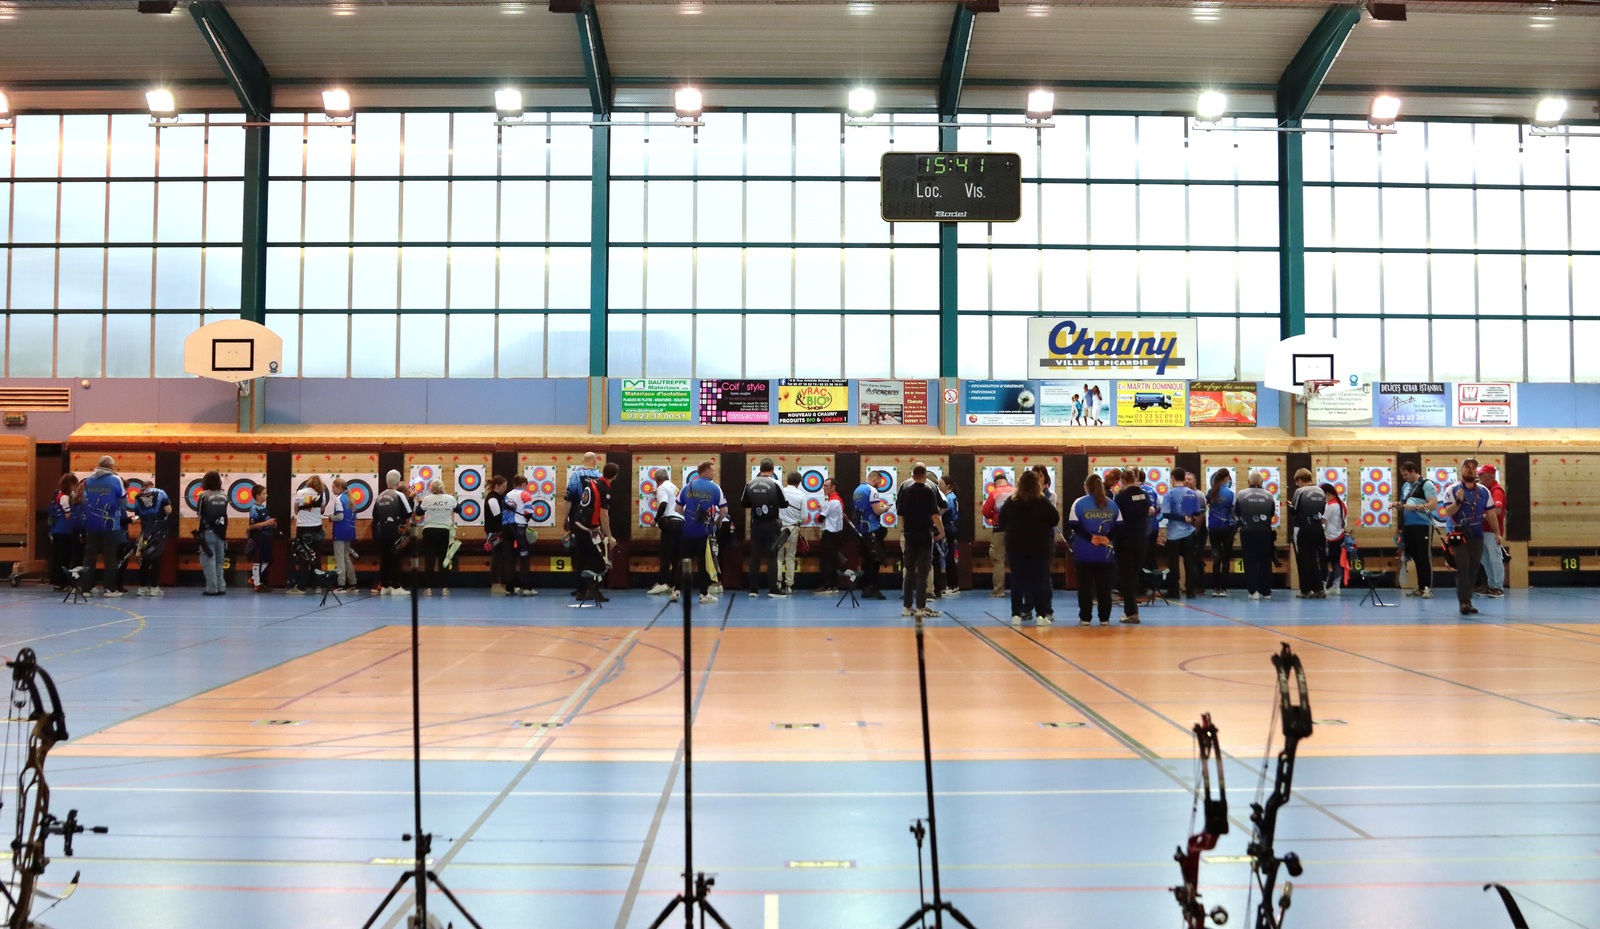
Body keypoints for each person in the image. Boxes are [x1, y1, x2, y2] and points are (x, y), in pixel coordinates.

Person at [997, 470, 1059, 626]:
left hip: (1015, 547)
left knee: (1017, 581)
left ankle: (1016, 615)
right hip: (1039, 547)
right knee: (1038, 581)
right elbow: (1054, 519)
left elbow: (1001, 521)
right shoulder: (1042, 501)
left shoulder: (1012, 501)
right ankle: (1041, 616)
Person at [1442, 458, 1495, 616]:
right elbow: (1449, 511)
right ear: (1461, 470)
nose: (1470, 469)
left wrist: (1497, 533)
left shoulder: (1484, 491)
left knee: (1473, 568)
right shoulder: (1452, 489)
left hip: (1476, 535)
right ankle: (1463, 601)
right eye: (1467, 467)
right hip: (1458, 535)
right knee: (1463, 567)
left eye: (1473, 467)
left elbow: (1491, 513)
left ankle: (1468, 599)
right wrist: (1459, 500)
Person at [1069, 474, 1121, 626]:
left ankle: (1085, 618)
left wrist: (1090, 537)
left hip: (1084, 553)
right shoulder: (1112, 504)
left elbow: (1073, 524)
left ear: (1086, 486)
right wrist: (1107, 538)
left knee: (1084, 587)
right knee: (1104, 588)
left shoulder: (1079, 503)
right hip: (1105, 554)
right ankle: (1104, 618)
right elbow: (1120, 525)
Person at [896, 465, 944, 619]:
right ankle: (921, 607)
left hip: (909, 536)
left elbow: (900, 514)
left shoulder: (905, 491)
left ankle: (907, 607)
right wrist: (941, 530)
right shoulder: (928, 491)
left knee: (909, 571)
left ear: (912, 475)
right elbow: (935, 514)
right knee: (923, 572)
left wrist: (904, 530)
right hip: (924, 536)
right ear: (925, 476)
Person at [678, 460, 728, 604]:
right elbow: (724, 510)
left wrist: (689, 517)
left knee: (684, 560)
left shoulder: (687, 486)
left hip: (688, 530)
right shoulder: (714, 487)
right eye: (713, 470)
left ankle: (676, 590)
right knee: (703, 562)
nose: (714, 472)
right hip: (704, 531)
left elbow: (677, 508)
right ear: (706, 471)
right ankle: (703, 593)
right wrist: (718, 521)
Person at [569, 461, 616, 603]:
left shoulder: (593, 482)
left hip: (578, 524)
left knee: (581, 559)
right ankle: (593, 590)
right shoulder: (605, 489)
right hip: (589, 528)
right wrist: (610, 536)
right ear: (615, 476)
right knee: (599, 561)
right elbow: (604, 515)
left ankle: (581, 591)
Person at [742, 459, 790, 599]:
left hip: (756, 524)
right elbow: (784, 504)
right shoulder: (776, 483)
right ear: (772, 469)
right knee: (772, 556)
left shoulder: (750, 483)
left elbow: (744, 503)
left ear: (760, 468)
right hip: (771, 524)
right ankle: (773, 589)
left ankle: (753, 590)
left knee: (755, 557)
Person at [1112, 468, 1154, 623]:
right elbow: (1150, 510)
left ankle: (1131, 613)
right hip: (1142, 539)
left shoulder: (1121, 496)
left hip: (1125, 540)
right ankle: (1133, 610)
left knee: (1126, 577)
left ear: (1122, 481)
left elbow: (1116, 516)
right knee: (1134, 574)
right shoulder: (1144, 494)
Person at [80, 456, 125, 597]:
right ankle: (110, 589)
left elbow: (85, 498)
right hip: (109, 523)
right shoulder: (115, 479)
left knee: (89, 555)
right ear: (111, 466)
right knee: (110, 556)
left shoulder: (89, 480)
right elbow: (123, 500)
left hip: (91, 522)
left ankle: (86, 588)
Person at [1159, 467, 1205, 598]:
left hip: (1174, 534)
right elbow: (1197, 512)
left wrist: (1181, 517)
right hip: (1189, 533)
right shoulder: (1192, 493)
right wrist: (1187, 518)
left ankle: (1174, 591)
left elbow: (1166, 513)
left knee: (1173, 564)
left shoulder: (1169, 494)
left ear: (1173, 478)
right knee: (1189, 563)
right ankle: (1190, 591)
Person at [1396, 461, 1437, 600]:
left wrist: (1414, 508)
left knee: (1424, 556)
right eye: (1402, 475)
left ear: (1413, 471)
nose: (1404, 477)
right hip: (1409, 525)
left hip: (1423, 525)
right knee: (1415, 556)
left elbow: (1433, 504)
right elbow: (1404, 503)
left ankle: (1427, 587)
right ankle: (1420, 586)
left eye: (1406, 474)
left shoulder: (1427, 484)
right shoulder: (1406, 486)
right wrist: (1398, 505)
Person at [1236, 471, 1277, 600]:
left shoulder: (1241, 494)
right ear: (1262, 482)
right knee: (1265, 560)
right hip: (1265, 531)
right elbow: (1272, 513)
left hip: (1247, 531)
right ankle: (1266, 591)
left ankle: (1253, 591)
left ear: (1248, 481)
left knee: (1250, 560)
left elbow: (1237, 512)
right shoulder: (1269, 495)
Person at [371, 470, 413, 595]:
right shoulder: (399, 495)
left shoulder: (380, 496)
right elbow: (409, 513)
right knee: (396, 558)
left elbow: (375, 514)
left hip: (381, 532)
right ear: (398, 482)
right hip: (395, 532)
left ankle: (384, 586)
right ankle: (396, 586)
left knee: (384, 558)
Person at [1289, 469, 1327, 599]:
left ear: (1299, 479)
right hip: (1317, 528)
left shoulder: (1300, 491)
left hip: (1303, 527)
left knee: (1303, 559)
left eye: (1297, 482)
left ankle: (1305, 590)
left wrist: (1291, 506)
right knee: (1314, 558)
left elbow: (1294, 510)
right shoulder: (1320, 491)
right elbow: (1323, 510)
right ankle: (1319, 589)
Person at [131, 480, 173, 597]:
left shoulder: (138, 496)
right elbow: (168, 510)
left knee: (145, 559)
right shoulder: (161, 492)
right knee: (156, 558)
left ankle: (142, 588)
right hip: (159, 530)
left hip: (145, 530)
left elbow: (137, 515)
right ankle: (154, 588)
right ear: (152, 485)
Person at [288, 475, 328, 594]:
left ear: (308, 483)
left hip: (303, 528)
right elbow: (322, 510)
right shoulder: (321, 494)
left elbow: (296, 511)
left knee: (303, 557)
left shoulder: (300, 492)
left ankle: (301, 587)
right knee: (316, 556)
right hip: (317, 528)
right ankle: (318, 586)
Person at [417, 479, 458, 596]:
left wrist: (420, 502)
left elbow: (419, 512)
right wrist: (452, 499)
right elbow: (459, 509)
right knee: (444, 560)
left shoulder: (427, 499)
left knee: (429, 560)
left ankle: (428, 588)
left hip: (429, 531)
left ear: (431, 488)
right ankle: (444, 588)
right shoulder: (450, 498)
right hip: (445, 531)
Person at [851, 475, 889, 600]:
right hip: (871, 528)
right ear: (875, 479)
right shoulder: (872, 490)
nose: (880, 484)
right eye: (880, 482)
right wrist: (885, 508)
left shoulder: (858, 489)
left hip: (861, 528)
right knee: (875, 559)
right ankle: (872, 587)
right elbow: (877, 511)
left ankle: (865, 587)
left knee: (867, 559)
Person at [649, 467, 684, 599]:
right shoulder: (675, 488)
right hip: (681, 523)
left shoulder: (662, 487)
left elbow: (663, 504)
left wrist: (655, 520)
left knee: (665, 555)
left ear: (656, 479)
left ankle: (662, 583)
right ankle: (673, 584)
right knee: (676, 557)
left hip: (670, 524)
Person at [500, 474, 536, 597]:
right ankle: (526, 588)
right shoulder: (525, 494)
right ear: (524, 484)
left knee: (509, 558)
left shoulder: (507, 495)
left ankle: (509, 588)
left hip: (506, 528)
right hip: (519, 527)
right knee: (524, 557)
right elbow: (529, 513)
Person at [981, 474, 1016, 598]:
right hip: (1016, 531)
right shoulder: (1016, 491)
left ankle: (999, 590)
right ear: (1007, 482)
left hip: (999, 530)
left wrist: (994, 517)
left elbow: (986, 512)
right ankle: (1019, 590)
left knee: (998, 560)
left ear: (995, 484)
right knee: (1017, 560)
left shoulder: (994, 492)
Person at [197, 470, 229, 596]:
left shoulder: (203, 496)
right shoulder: (225, 496)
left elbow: (200, 514)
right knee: (219, 561)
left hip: (207, 533)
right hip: (221, 533)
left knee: (208, 561)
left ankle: (212, 588)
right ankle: (221, 587)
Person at [1205, 469, 1236, 598]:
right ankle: (1223, 589)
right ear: (1227, 478)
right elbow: (1234, 511)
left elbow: (1207, 505)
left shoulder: (1210, 492)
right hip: (1227, 527)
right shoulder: (1231, 493)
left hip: (1213, 527)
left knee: (1216, 557)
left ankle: (1215, 588)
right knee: (1225, 558)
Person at [1478, 464, 1507, 598]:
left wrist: (1482, 515)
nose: (1479, 477)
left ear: (1488, 476)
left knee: (1495, 558)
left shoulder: (1496, 491)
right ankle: (1491, 585)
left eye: (1481, 475)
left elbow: (1497, 510)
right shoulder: (1486, 490)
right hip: (1483, 530)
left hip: (1491, 531)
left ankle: (1498, 587)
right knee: (1485, 559)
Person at [777, 471, 807, 596]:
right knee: (790, 557)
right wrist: (797, 523)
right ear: (799, 482)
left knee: (778, 557)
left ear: (787, 480)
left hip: (779, 528)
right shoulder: (801, 495)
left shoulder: (781, 492)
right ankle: (789, 586)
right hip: (793, 529)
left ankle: (777, 583)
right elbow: (804, 517)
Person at [49, 474, 80, 591]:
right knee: (64, 557)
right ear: (70, 484)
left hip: (58, 529)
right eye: (74, 485)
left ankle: (59, 582)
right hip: (64, 530)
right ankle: (62, 582)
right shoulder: (64, 497)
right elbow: (68, 515)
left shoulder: (57, 494)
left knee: (59, 557)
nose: (75, 487)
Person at [815, 478, 845, 596]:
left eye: (826, 486)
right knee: (832, 560)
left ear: (833, 487)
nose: (824, 488)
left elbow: (820, 519)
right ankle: (833, 585)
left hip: (830, 535)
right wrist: (824, 509)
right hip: (836, 534)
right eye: (824, 486)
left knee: (826, 561)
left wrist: (820, 513)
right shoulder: (837, 500)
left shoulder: (832, 501)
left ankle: (827, 585)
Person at [329, 478, 358, 591]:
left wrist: (331, 517)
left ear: (339, 488)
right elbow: (354, 516)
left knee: (340, 558)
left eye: (333, 487)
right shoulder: (349, 498)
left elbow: (340, 516)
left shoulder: (339, 499)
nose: (332, 489)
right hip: (350, 530)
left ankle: (341, 584)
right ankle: (352, 583)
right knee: (346, 557)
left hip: (340, 531)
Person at [934, 474, 960, 596]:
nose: (939, 486)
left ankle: (953, 585)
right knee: (947, 556)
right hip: (949, 527)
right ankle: (951, 584)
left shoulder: (949, 498)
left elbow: (942, 510)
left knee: (949, 556)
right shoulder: (951, 496)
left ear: (948, 486)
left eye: (941, 484)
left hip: (948, 528)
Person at [247, 485, 276, 593]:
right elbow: (252, 525)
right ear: (257, 496)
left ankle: (254, 578)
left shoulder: (264, 507)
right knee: (258, 559)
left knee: (268, 559)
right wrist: (266, 523)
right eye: (263, 493)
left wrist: (272, 524)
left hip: (267, 536)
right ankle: (257, 584)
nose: (266, 495)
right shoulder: (254, 509)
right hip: (259, 537)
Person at [1321, 482, 1348, 595]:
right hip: (1340, 536)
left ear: (1328, 494)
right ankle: (1336, 586)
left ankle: (1323, 585)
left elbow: (1323, 521)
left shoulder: (1331, 506)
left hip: (1331, 537)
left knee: (1326, 561)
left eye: (1323, 496)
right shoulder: (1341, 503)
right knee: (1337, 562)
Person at [484, 475, 507, 595]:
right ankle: (495, 584)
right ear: (497, 486)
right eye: (503, 486)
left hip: (500, 530)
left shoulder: (499, 497)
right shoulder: (492, 498)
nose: (505, 488)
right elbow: (497, 516)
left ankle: (501, 584)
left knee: (501, 556)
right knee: (497, 557)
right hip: (495, 532)